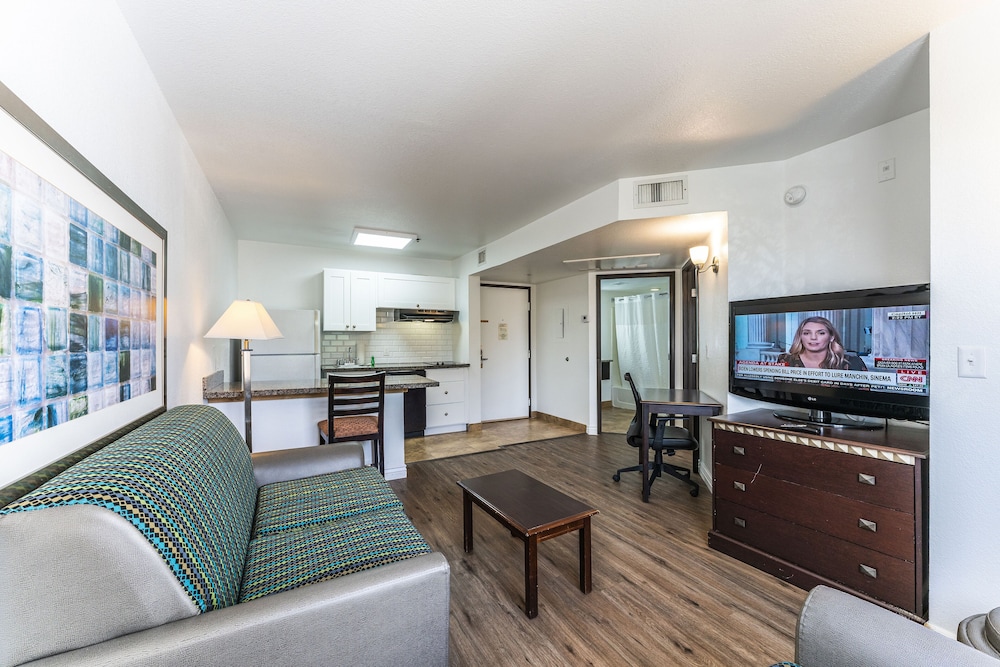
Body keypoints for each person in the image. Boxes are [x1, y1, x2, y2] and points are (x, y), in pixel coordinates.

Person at [777, 316, 868, 370]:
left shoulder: (853, 363)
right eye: (807, 333)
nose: (813, 337)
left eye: (821, 333)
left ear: (831, 337)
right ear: (800, 336)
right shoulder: (785, 360)